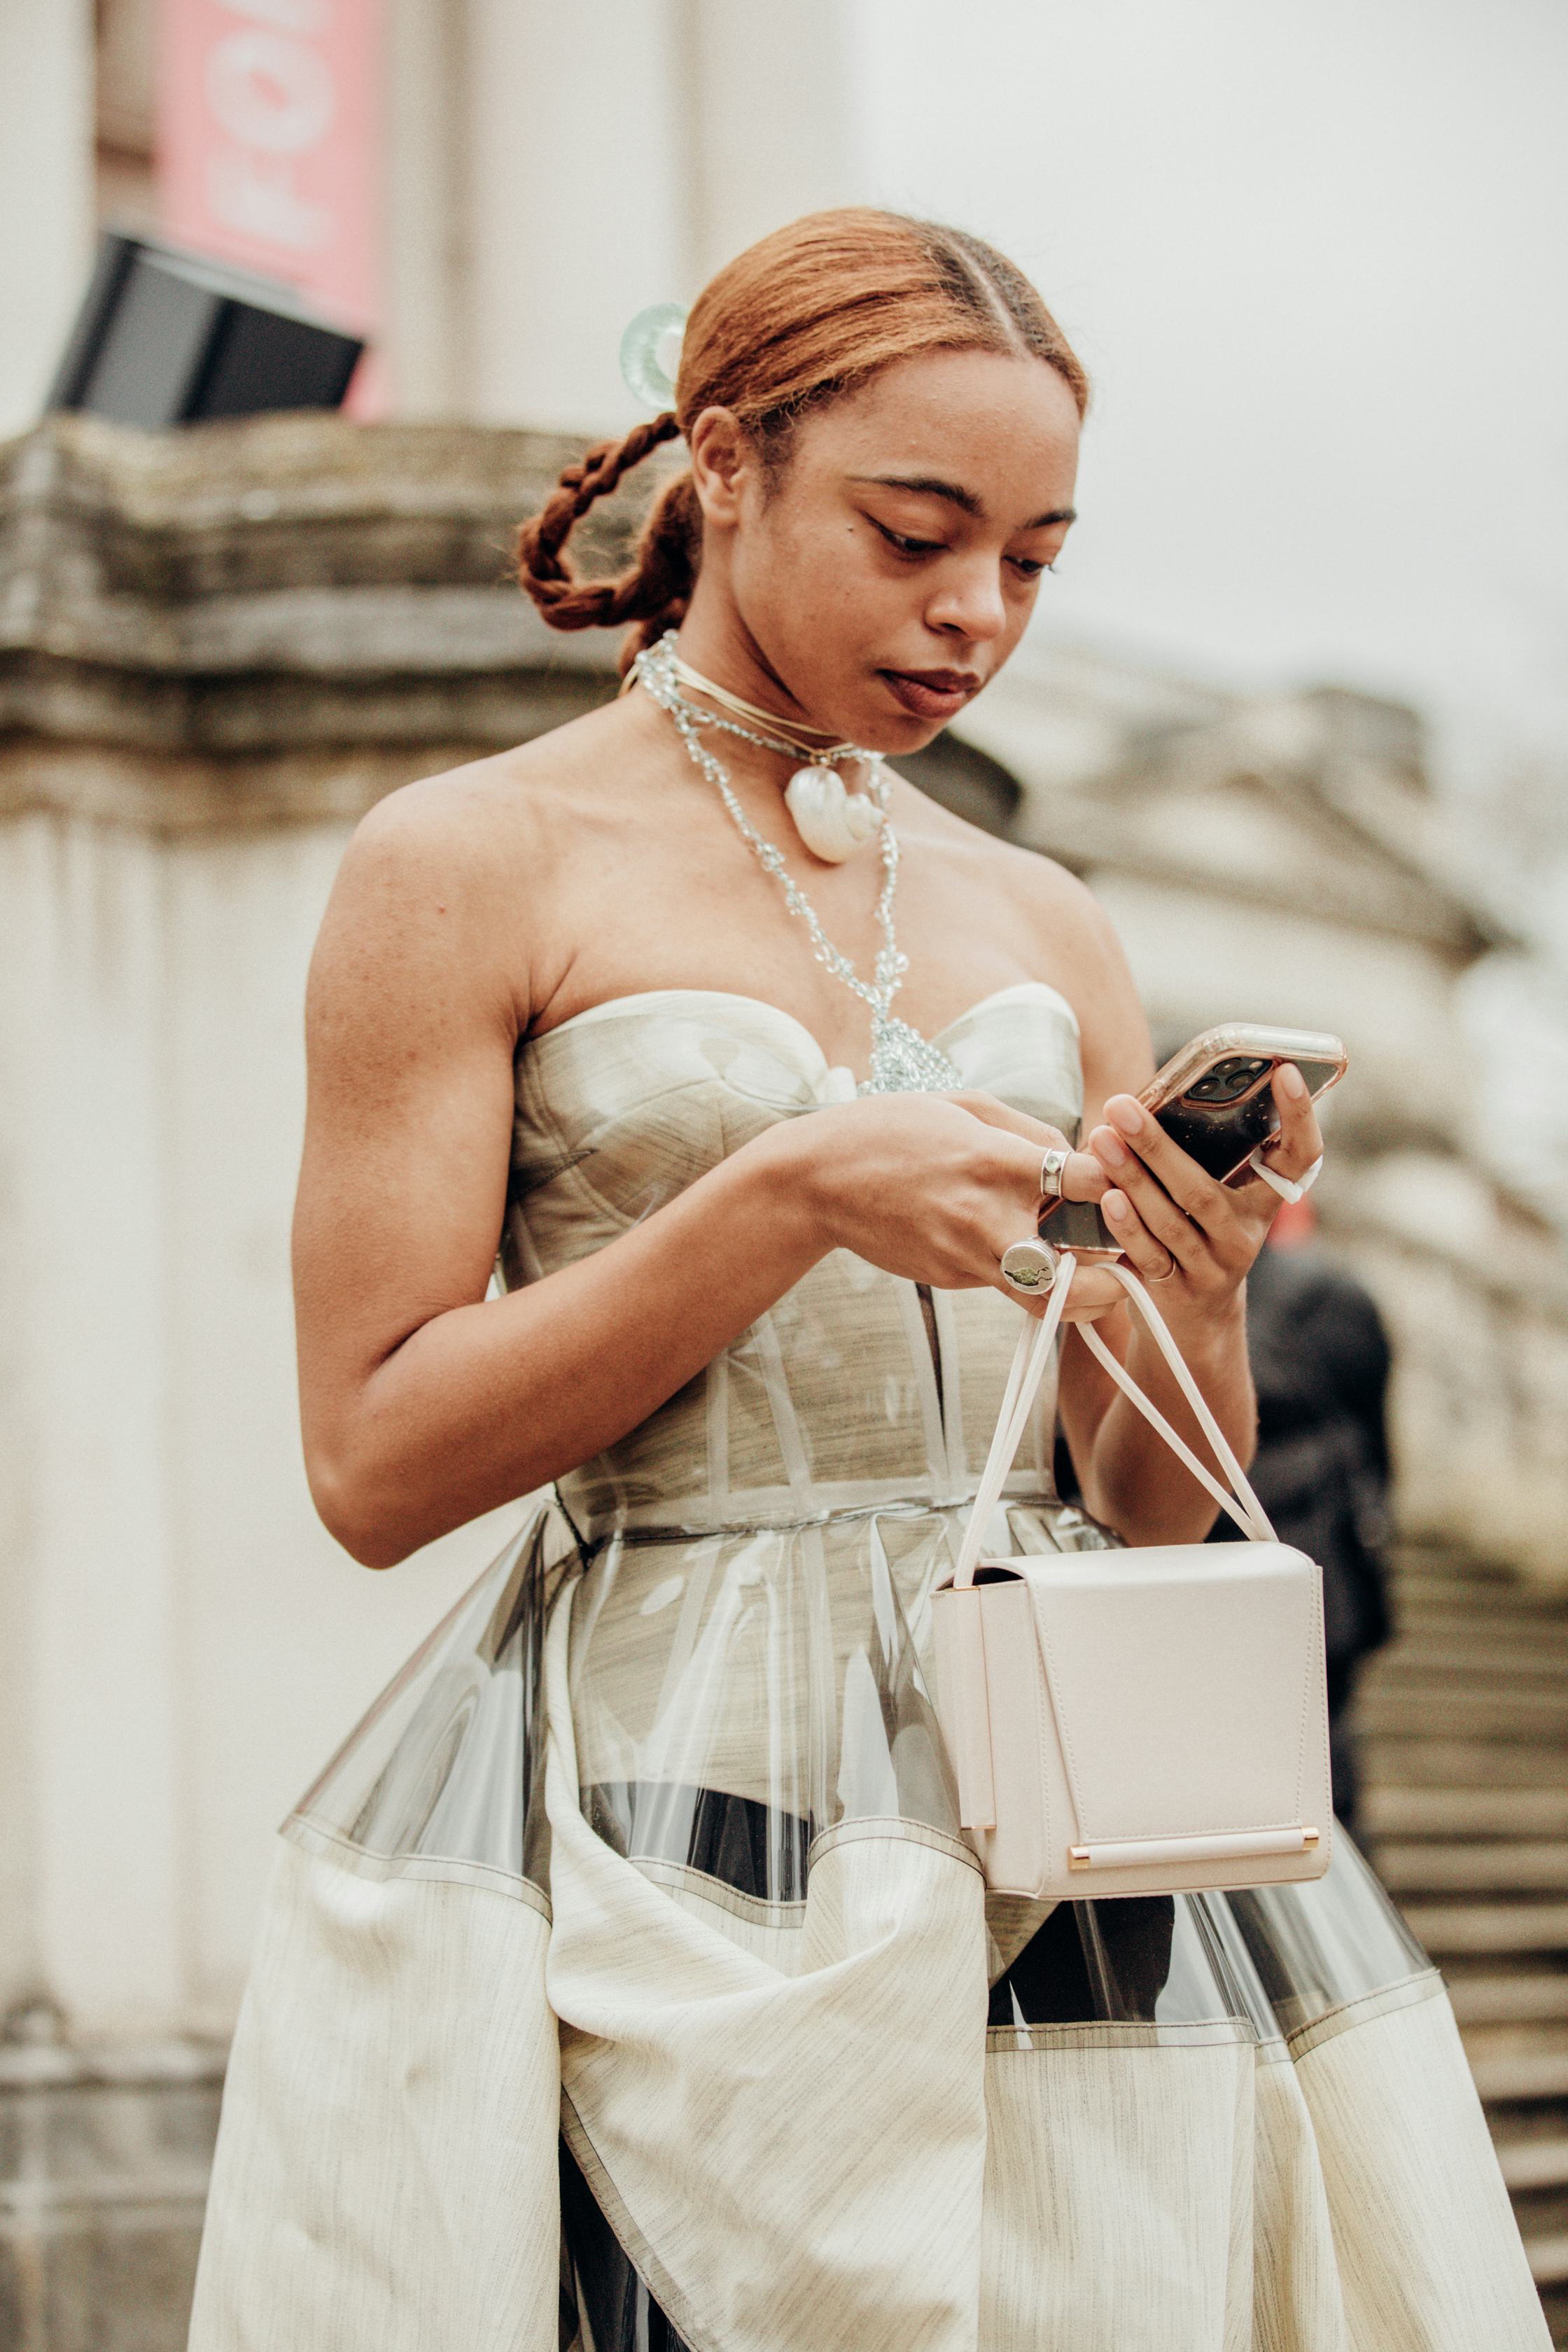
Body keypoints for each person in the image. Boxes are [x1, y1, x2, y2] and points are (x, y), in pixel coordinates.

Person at [188, 211, 1544, 2351]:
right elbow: (368, 1457)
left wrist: (1176, 1283)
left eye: (1031, 557)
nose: (972, 613)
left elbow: (1139, 1503)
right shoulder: (465, 861)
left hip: (1067, 1783)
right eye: (915, 531)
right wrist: (780, 1193)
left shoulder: (1046, 914)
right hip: (665, 1784)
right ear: (720, 464)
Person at [1212, 1197, 1394, 1829]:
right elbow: (1376, 1451)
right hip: (1319, 1578)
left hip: (1235, 1572)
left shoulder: (1165, 1293)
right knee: (1327, 1778)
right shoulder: (1335, 1295)